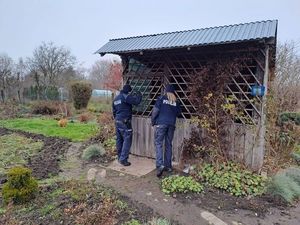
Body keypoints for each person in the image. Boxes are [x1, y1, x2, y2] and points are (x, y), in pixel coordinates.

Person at [151, 84, 181, 177]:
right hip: (171, 125)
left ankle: (160, 165)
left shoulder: (161, 99)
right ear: (173, 92)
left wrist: (153, 122)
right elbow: (179, 113)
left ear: (166, 91)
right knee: (168, 144)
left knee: (159, 144)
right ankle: (168, 166)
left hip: (161, 124)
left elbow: (155, 111)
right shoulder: (176, 102)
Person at [112, 84, 142, 166]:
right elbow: (136, 102)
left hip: (117, 121)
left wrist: (117, 119)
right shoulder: (126, 97)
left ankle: (119, 157)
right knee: (127, 139)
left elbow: (114, 112)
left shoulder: (116, 99)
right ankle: (123, 159)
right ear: (128, 91)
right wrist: (139, 94)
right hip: (125, 122)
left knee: (119, 140)